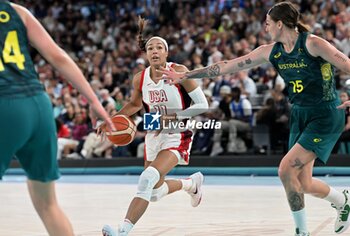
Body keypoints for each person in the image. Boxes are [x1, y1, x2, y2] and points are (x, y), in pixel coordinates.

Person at [159, 2, 350, 235]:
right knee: (304, 183)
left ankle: (302, 232)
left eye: (268, 24)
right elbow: (227, 66)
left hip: (326, 114)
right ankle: (343, 202)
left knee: (285, 171)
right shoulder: (271, 51)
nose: (265, 28)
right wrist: (185, 75)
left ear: (280, 24)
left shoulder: (313, 43)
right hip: (300, 114)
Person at [0, 2, 115, 236]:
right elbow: (58, 56)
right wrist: (93, 100)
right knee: (48, 206)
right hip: (39, 107)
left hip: (5, 107)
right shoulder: (16, 11)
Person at [101, 17, 208, 236]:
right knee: (154, 192)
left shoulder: (178, 71)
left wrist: (173, 116)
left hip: (178, 133)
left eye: (159, 47)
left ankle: (122, 230)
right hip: (154, 133)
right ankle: (191, 184)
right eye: (150, 48)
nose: (155, 50)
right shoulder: (140, 78)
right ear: (146, 53)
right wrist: (111, 119)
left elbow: (203, 105)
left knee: (146, 178)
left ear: (166, 53)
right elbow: (134, 104)